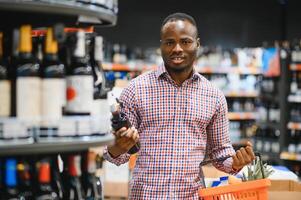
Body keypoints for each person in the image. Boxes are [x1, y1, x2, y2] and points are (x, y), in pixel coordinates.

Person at [103, 12, 256, 199]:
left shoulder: (214, 96)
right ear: (161, 45)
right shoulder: (136, 90)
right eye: (169, 42)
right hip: (145, 195)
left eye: (185, 41)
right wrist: (118, 146)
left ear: (197, 44)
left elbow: (220, 154)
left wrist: (236, 162)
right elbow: (117, 154)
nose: (177, 48)